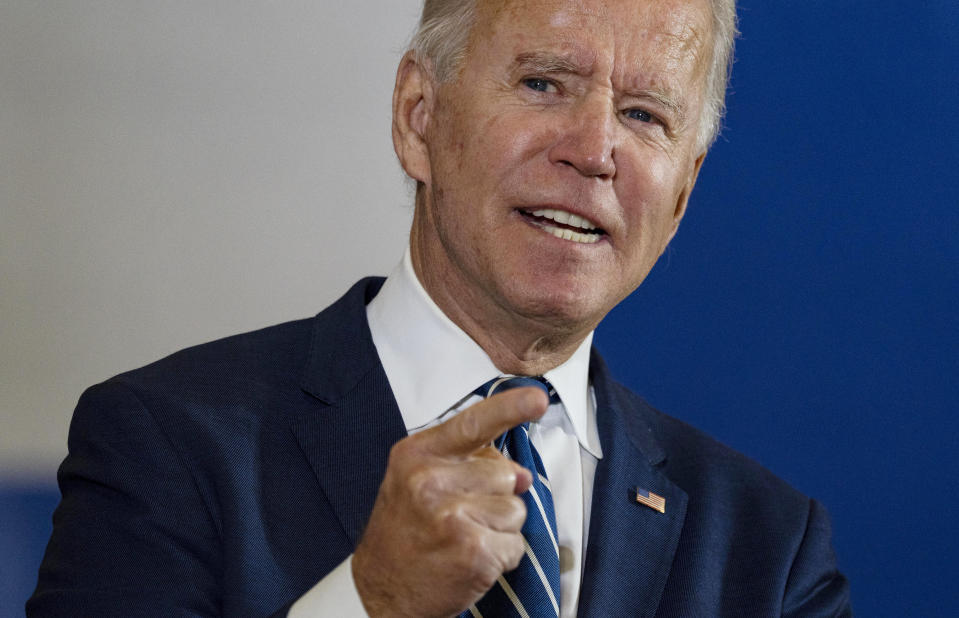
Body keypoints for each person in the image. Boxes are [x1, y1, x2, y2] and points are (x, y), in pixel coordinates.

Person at [29, 0, 851, 616]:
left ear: (679, 198)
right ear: (417, 118)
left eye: (643, 115)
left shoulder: (766, 550)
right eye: (542, 83)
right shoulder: (165, 444)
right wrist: (365, 601)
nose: (594, 151)